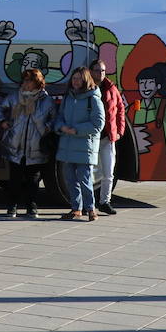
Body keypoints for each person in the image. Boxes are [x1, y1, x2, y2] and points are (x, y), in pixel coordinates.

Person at [0, 68, 55, 218]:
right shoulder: (15, 97)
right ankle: (12, 206)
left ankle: (31, 206)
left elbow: (54, 118)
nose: (25, 83)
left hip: (35, 146)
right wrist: (3, 121)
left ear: (37, 82)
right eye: (24, 80)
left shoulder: (46, 100)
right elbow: (0, 108)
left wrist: (48, 127)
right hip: (15, 144)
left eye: (29, 80)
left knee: (33, 179)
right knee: (14, 178)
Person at [55, 67, 106, 221]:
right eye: (74, 78)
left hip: (84, 147)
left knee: (85, 179)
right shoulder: (68, 97)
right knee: (70, 179)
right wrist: (61, 127)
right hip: (68, 145)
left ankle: (91, 209)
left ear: (85, 80)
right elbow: (59, 117)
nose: (75, 81)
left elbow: (98, 124)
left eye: (79, 78)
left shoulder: (94, 99)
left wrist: (76, 130)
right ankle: (76, 208)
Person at [90, 58, 127, 215]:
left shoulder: (111, 88)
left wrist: (120, 131)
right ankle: (87, 204)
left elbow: (120, 109)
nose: (101, 73)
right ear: (91, 72)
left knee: (108, 171)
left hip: (107, 138)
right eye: (98, 70)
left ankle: (105, 202)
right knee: (88, 172)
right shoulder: (87, 88)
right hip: (90, 138)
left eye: (103, 70)